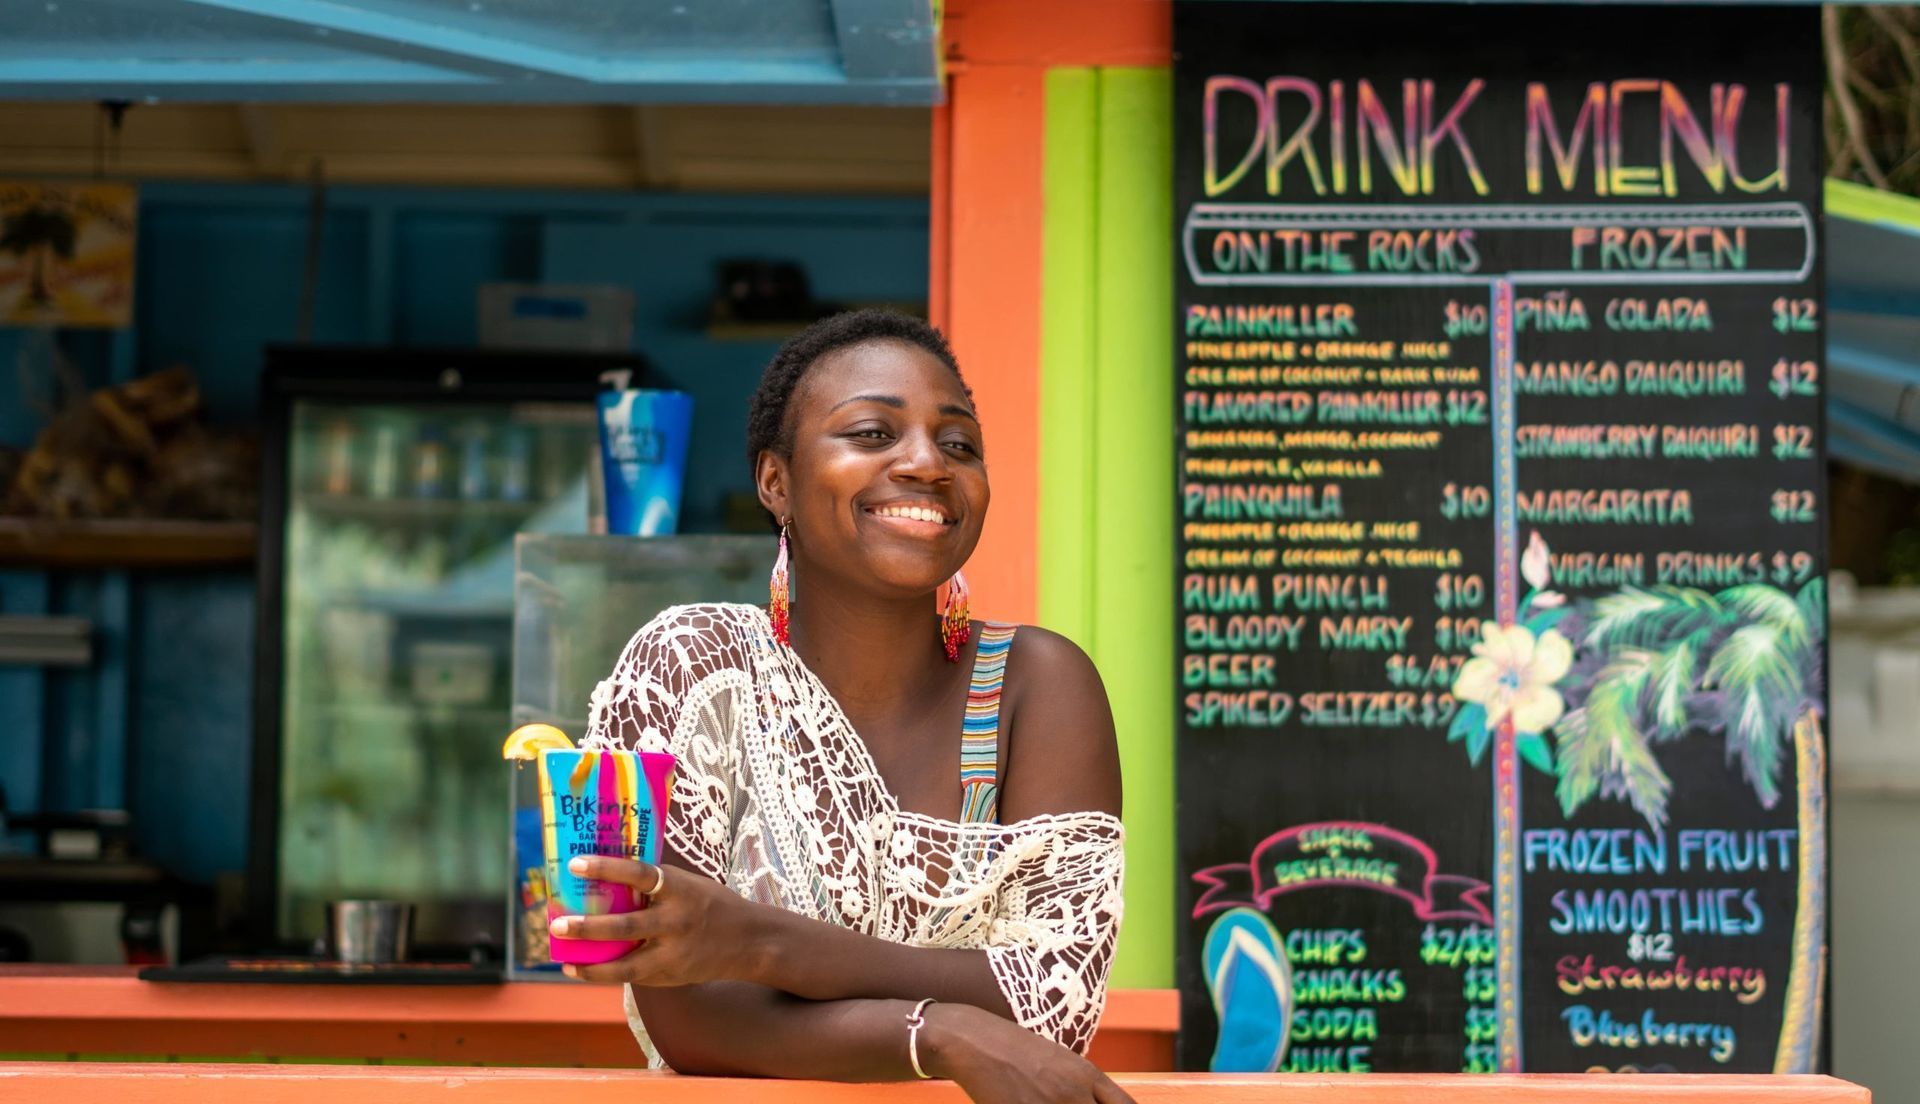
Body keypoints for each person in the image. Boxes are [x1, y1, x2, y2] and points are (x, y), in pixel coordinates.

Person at [559, 309, 1132, 1103]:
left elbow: (1055, 999)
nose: (928, 462)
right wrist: (945, 1032)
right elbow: (684, 1014)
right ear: (775, 481)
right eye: (871, 433)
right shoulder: (693, 668)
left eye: (960, 443)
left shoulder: (1040, 686)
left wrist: (752, 943)